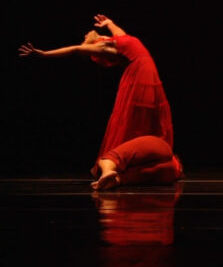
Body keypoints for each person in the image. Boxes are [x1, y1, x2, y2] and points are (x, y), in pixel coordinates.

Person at [19, 14, 177, 179]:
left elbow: (122, 34)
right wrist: (44, 54)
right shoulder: (102, 47)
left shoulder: (115, 40)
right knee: (137, 115)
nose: (86, 35)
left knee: (146, 113)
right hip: (140, 74)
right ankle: (125, 159)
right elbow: (75, 49)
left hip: (145, 70)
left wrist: (110, 23)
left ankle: (142, 154)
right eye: (85, 38)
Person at [92, 134, 184, 190]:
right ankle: (113, 177)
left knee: (118, 159)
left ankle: (110, 174)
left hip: (168, 172)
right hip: (170, 174)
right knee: (124, 175)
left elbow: (113, 156)